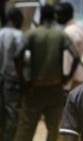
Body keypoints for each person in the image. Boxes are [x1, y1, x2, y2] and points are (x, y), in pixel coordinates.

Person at [14, 5, 79, 141]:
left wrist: (23, 81)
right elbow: (76, 56)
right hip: (55, 89)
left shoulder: (32, 34)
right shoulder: (60, 35)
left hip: (34, 89)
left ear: (41, 17)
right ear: (54, 17)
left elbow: (17, 55)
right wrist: (66, 77)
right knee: (53, 128)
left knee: (26, 128)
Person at [0, 7, 24, 141]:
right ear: (18, 20)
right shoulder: (18, 35)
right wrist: (23, 80)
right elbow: (18, 57)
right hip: (12, 80)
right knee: (12, 113)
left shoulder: (0, 32)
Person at [55, 2, 83, 91]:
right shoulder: (78, 26)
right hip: (80, 75)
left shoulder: (69, 32)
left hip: (73, 79)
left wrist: (66, 81)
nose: (56, 17)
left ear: (66, 14)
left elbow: (68, 59)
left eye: (58, 14)